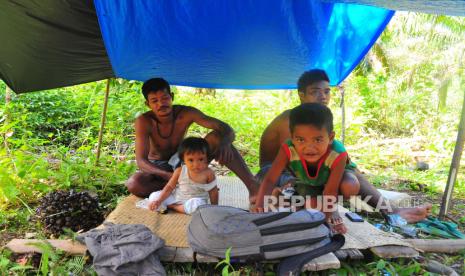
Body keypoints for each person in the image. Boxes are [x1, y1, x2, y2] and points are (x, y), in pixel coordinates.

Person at [257, 69, 431, 223]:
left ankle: (390, 211)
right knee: (306, 186)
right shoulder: (291, 120)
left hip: (304, 172)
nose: (323, 96)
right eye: (315, 92)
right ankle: (290, 201)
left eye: (326, 91)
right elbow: (294, 163)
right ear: (301, 95)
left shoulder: (319, 120)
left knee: (349, 173)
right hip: (276, 171)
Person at [126, 78, 258, 203]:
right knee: (134, 184)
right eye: (154, 101)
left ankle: (253, 186)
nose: (161, 104)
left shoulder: (186, 113)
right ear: (147, 104)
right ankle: (187, 187)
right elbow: (141, 161)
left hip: (184, 161)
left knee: (218, 137)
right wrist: (168, 175)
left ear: (172, 97)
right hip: (159, 168)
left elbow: (225, 128)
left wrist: (224, 143)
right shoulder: (144, 121)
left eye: (165, 98)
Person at [255, 103, 358, 233]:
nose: (309, 147)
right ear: (292, 138)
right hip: (307, 182)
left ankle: (298, 200)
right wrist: (259, 205)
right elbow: (270, 179)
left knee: (343, 190)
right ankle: (287, 195)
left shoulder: (338, 154)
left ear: (330, 138)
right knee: (308, 206)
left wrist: (323, 222)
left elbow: (330, 191)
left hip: (328, 184)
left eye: (318, 140)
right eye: (301, 140)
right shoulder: (288, 148)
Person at [148, 137, 218, 214]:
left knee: (198, 207)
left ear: (207, 158)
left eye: (201, 159)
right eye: (191, 160)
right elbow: (170, 187)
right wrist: (159, 200)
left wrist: (214, 208)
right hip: (177, 197)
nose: (196, 164)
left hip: (195, 200)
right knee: (153, 197)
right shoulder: (179, 171)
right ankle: (172, 205)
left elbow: (213, 191)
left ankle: (173, 207)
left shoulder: (208, 173)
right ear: (183, 159)